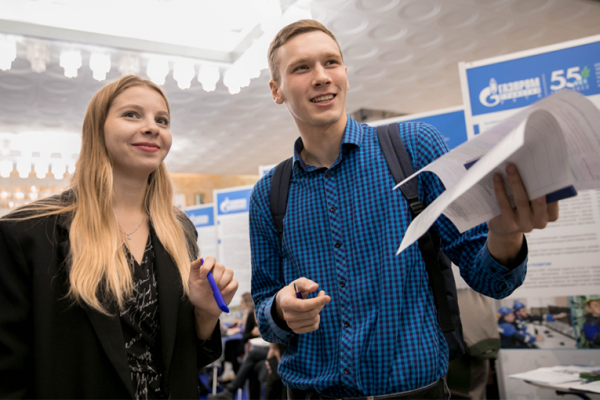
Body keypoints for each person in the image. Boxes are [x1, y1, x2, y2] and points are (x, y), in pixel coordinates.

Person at [249, 19, 560, 399]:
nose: (321, 77)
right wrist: (279, 310)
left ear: (346, 74)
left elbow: (491, 279)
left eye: (331, 62)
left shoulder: (414, 150)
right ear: (276, 90)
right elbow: (265, 313)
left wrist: (506, 233)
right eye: (301, 67)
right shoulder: (269, 195)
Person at [0, 75, 238, 399]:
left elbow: (185, 359)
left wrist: (206, 313)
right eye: (132, 114)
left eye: (162, 120)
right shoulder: (28, 233)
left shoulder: (179, 231)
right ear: (97, 129)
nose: (152, 127)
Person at [221, 292, 260, 381]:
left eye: (242, 302)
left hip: (249, 346)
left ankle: (230, 371)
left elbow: (248, 333)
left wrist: (240, 330)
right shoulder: (249, 313)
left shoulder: (251, 314)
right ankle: (230, 371)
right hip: (249, 343)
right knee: (231, 345)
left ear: (247, 302)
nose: (240, 304)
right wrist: (241, 324)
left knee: (230, 345)